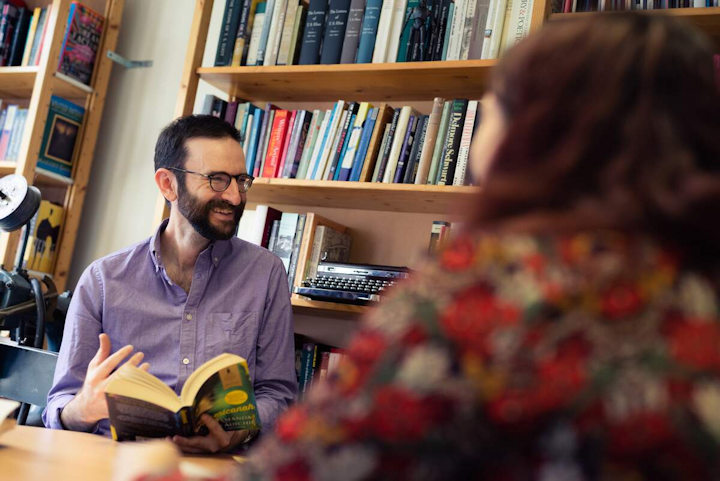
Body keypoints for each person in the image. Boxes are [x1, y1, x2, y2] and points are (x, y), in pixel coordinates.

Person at [239, 12, 720, 480]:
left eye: (490, 110)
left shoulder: (488, 291)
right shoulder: (695, 287)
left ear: (533, 134)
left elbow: (304, 469)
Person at [43, 115, 297, 453]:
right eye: (218, 180)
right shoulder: (102, 280)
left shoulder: (266, 274)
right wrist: (82, 408)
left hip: (217, 469)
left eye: (241, 180)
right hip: (116, 467)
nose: (236, 197)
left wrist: (238, 432)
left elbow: (278, 395)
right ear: (167, 184)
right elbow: (58, 408)